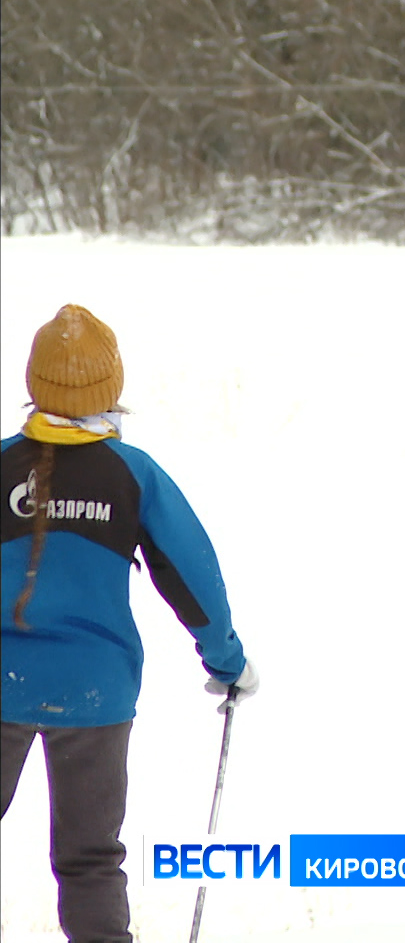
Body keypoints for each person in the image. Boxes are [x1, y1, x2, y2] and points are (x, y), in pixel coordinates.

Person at [1, 304, 259, 943]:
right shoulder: (131, 474)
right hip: (96, 695)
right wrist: (228, 662)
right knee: (90, 859)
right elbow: (191, 573)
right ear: (109, 390)